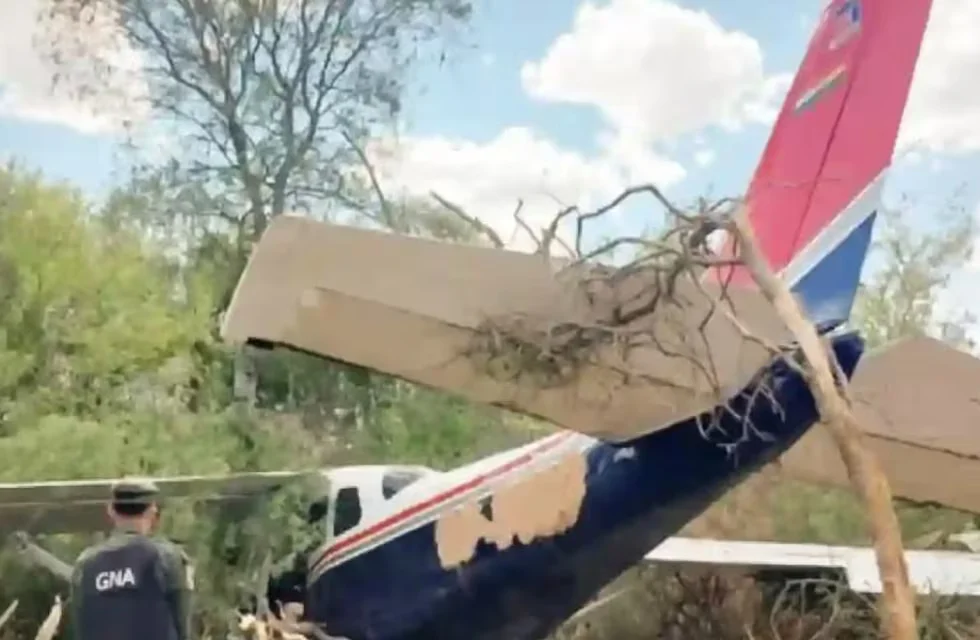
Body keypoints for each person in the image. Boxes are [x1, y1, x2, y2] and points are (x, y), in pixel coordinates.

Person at [70, 478, 194, 640]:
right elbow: (183, 626)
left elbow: (80, 627)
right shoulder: (168, 558)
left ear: (110, 510)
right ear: (152, 510)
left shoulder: (85, 565)